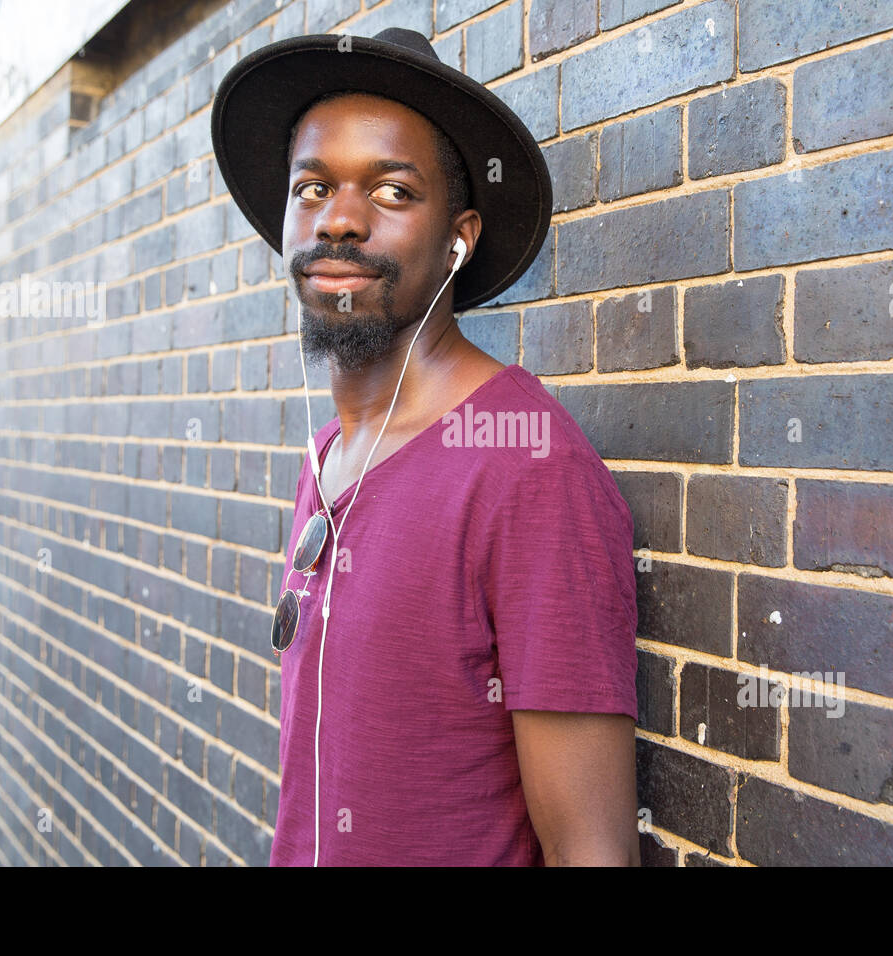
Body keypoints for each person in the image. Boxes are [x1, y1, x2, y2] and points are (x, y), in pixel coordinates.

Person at [212, 27, 639, 866]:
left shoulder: (525, 467)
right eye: (312, 187)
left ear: (459, 238)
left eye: (393, 191)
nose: (338, 218)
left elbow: (593, 854)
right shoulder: (330, 453)